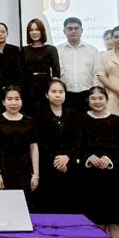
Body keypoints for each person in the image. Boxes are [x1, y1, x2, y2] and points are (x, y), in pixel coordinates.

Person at [74, 85, 119, 238]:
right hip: (90, 176)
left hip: (115, 175)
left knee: (115, 216)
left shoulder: (116, 120)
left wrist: (110, 159)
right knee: (96, 216)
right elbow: (75, 145)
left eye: (100, 98)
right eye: (93, 98)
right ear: (88, 101)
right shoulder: (80, 120)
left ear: (106, 100)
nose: (97, 101)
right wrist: (89, 157)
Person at [0, 86, 39, 206]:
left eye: (17, 99)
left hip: (25, 170)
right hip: (3, 169)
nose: (14, 103)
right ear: (3, 102)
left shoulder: (29, 121)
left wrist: (36, 174)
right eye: (9, 99)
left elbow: (34, 148)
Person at [35, 78, 80, 214]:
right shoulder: (39, 115)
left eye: (61, 92)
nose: (58, 95)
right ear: (46, 94)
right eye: (53, 91)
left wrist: (67, 157)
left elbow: (78, 140)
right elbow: (39, 141)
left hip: (70, 165)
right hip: (47, 165)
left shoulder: (73, 114)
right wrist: (56, 160)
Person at [58, 17, 98, 113]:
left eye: (76, 28)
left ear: (82, 30)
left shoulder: (92, 50)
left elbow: (97, 73)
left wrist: (96, 93)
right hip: (66, 95)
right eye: (70, 29)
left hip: (87, 95)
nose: (73, 31)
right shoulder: (58, 50)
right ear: (64, 31)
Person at [21, 18, 60, 112]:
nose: (34, 32)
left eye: (37, 29)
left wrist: (53, 91)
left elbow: (56, 72)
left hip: (45, 86)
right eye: (31, 30)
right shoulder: (23, 50)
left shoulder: (51, 49)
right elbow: (20, 71)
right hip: (28, 88)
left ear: (42, 31)